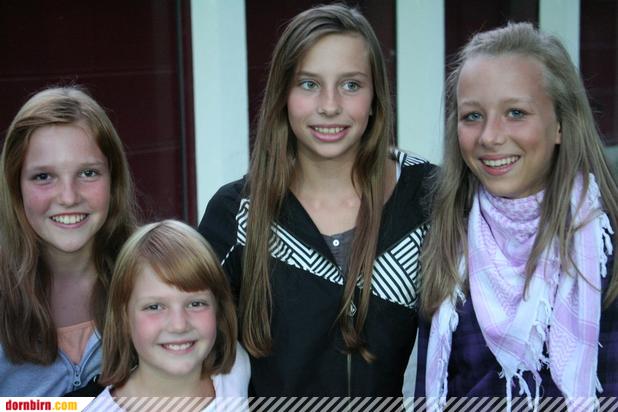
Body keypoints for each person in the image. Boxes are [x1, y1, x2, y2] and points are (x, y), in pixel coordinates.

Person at [199, 3, 434, 396]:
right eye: (309, 84)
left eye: (351, 85)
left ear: (375, 96)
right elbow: (185, 345)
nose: (329, 105)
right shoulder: (238, 213)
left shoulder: (428, 196)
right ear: (283, 95)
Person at [415, 22, 618, 410]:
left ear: (560, 124)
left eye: (515, 112)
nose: (490, 136)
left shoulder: (605, 244)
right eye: (472, 116)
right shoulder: (446, 238)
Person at [0, 86, 138, 395]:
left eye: (88, 173)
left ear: (114, 179)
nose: (68, 197)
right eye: (43, 177)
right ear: (15, 186)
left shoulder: (153, 277)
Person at [86, 220, 249, 411]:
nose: (179, 325)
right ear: (124, 318)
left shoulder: (237, 370)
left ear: (218, 309)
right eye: (155, 307)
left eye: (196, 304)